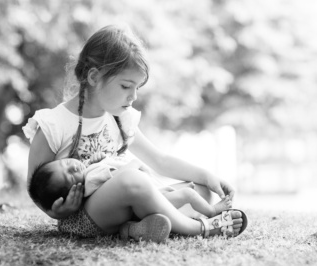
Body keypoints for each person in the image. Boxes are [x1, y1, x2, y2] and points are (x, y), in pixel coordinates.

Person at [23, 24, 247, 242]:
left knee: (201, 190)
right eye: (125, 86)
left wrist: (207, 177)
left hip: (130, 199)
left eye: (136, 88)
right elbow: (38, 190)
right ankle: (199, 227)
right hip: (87, 217)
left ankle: (132, 229)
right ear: (93, 77)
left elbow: (160, 160)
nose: (133, 97)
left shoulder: (120, 118)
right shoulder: (53, 124)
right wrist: (59, 212)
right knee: (132, 180)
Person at [28, 153, 233, 218]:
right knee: (189, 193)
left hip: (149, 197)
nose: (72, 167)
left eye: (65, 163)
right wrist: (135, 163)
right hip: (150, 196)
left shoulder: (88, 174)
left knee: (197, 189)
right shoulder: (90, 179)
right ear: (75, 190)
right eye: (70, 177)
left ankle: (187, 215)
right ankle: (213, 212)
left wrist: (100, 160)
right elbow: (124, 175)